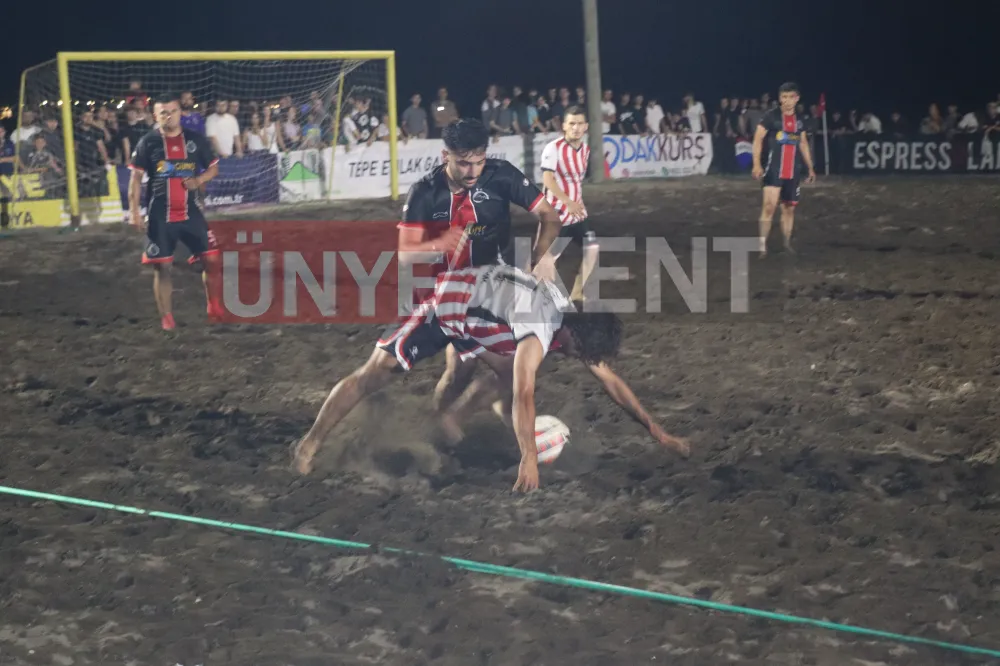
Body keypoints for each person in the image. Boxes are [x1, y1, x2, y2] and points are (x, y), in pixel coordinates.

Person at [291, 263, 689, 490]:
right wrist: (529, 459)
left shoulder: (572, 319)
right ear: (571, 334)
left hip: (481, 315)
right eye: (577, 351)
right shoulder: (540, 328)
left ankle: (450, 421)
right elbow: (526, 394)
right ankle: (309, 445)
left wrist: (657, 431)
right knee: (373, 375)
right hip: (443, 306)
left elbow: (611, 381)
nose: (577, 359)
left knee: (508, 374)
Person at [393, 118, 563, 432]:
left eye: (479, 161)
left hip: (493, 286)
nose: (473, 171)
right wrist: (439, 245)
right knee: (470, 368)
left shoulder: (502, 175)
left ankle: (451, 423)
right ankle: (444, 424)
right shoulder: (425, 191)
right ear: (446, 156)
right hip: (448, 293)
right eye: (464, 163)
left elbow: (549, 216)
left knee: (493, 367)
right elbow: (405, 255)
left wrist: (541, 256)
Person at [128, 92, 222, 330]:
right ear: (155, 115)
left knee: (212, 259)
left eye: (173, 111)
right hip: (160, 214)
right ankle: (167, 318)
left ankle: (214, 306)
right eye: (164, 113)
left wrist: (199, 180)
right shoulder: (147, 142)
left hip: (190, 211)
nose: (169, 116)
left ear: (181, 112)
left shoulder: (196, 140)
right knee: (162, 267)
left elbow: (213, 168)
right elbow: (136, 178)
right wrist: (134, 212)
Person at [539, 105, 598, 302]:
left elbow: (575, 182)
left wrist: (576, 203)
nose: (576, 128)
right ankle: (546, 299)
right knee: (548, 260)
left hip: (578, 213)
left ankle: (577, 293)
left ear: (586, 126)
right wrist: (567, 202)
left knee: (592, 249)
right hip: (558, 214)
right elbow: (547, 180)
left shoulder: (585, 150)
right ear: (564, 126)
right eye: (572, 123)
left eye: (580, 124)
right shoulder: (553, 148)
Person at [751, 82, 817, 257]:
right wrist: (756, 164)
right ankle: (762, 247)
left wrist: (810, 168)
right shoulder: (770, 116)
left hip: (793, 171)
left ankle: (786, 244)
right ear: (780, 98)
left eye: (790, 97)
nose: (787, 101)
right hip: (773, 169)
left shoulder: (800, 120)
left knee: (789, 209)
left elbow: (803, 143)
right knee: (769, 207)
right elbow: (758, 139)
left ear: (797, 98)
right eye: (784, 97)